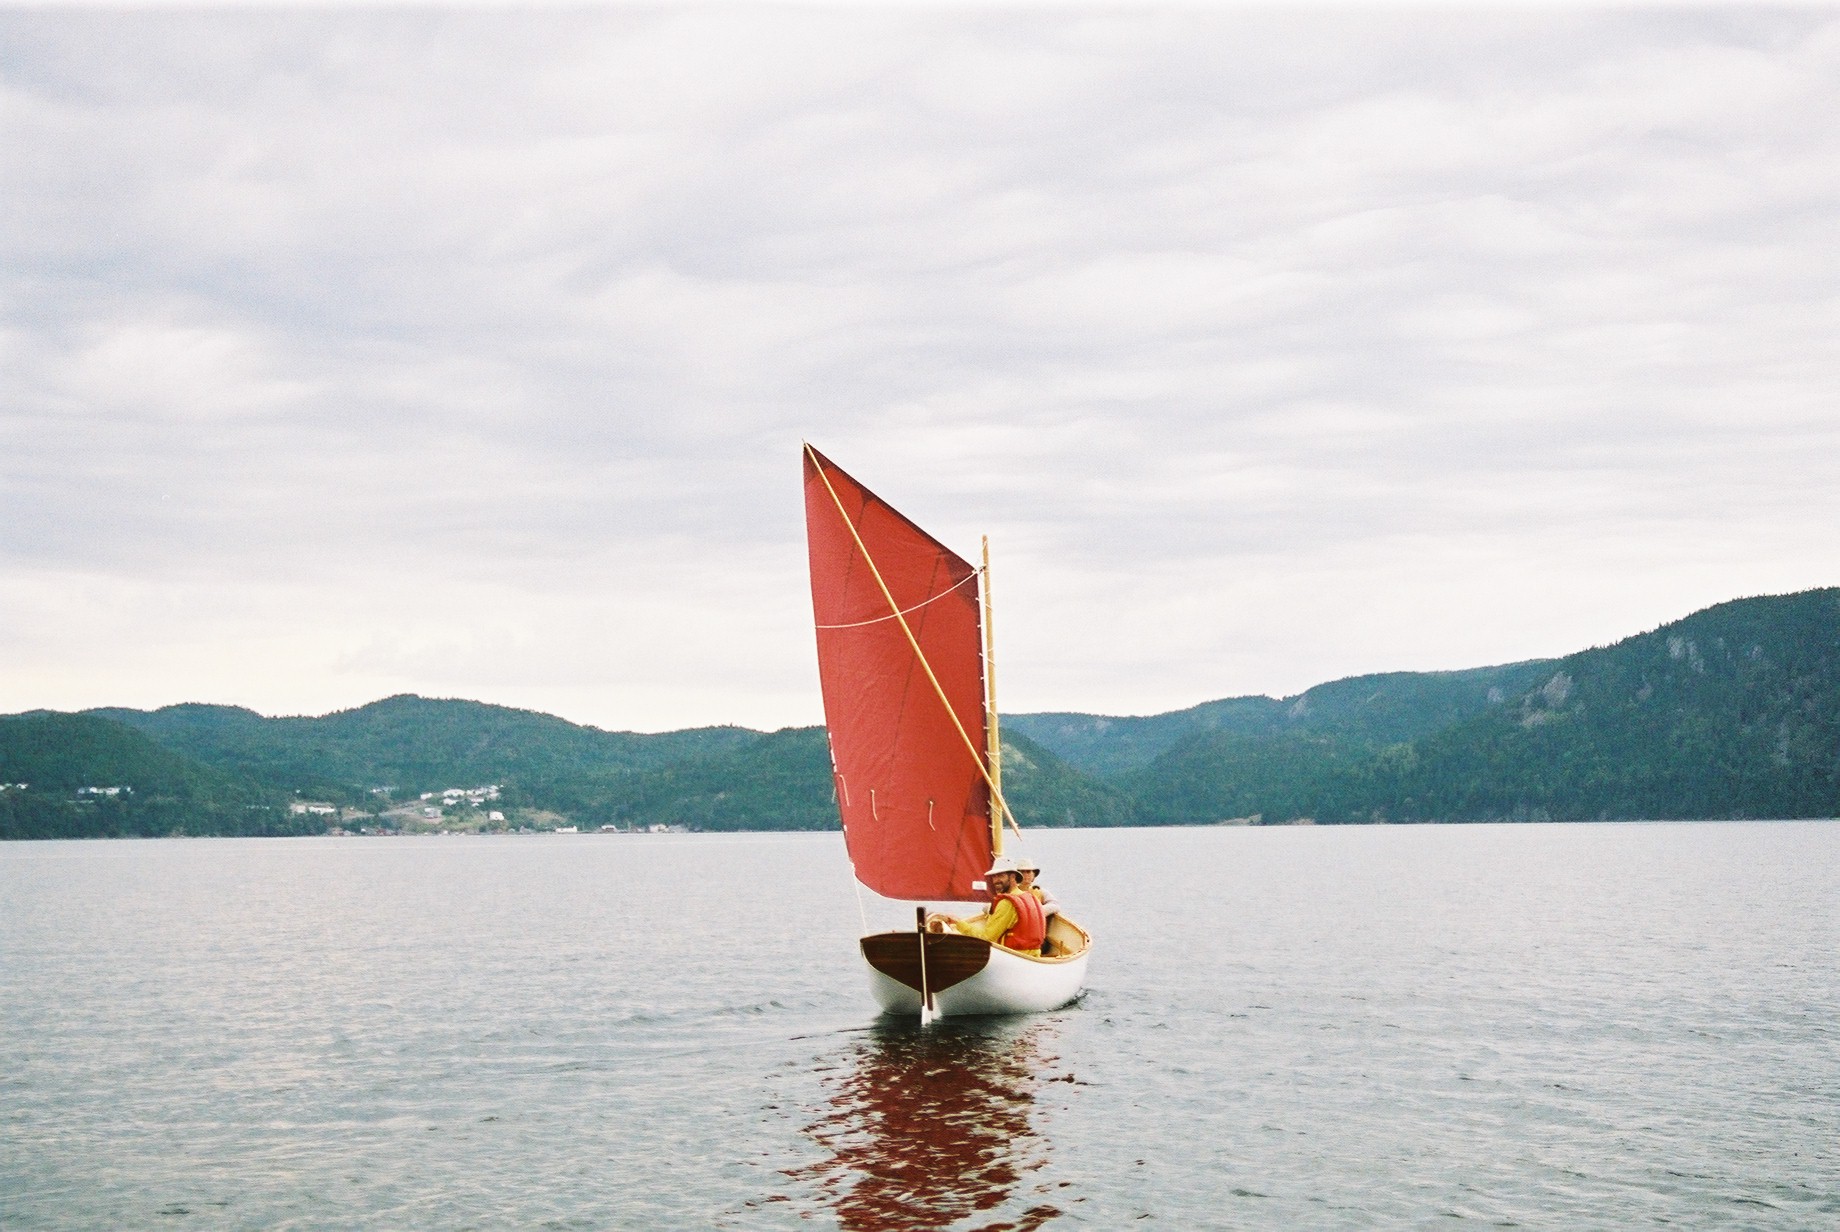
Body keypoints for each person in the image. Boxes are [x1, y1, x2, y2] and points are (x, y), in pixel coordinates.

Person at [927, 856, 1045, 952]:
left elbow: (986, 938)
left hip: (1015, 958)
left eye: (1001, 876)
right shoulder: (1031, 897)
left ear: (1013, 877)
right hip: (1034, 955)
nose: (996, 880)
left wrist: (958, 922)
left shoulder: (1007, 903)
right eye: (994, 877)